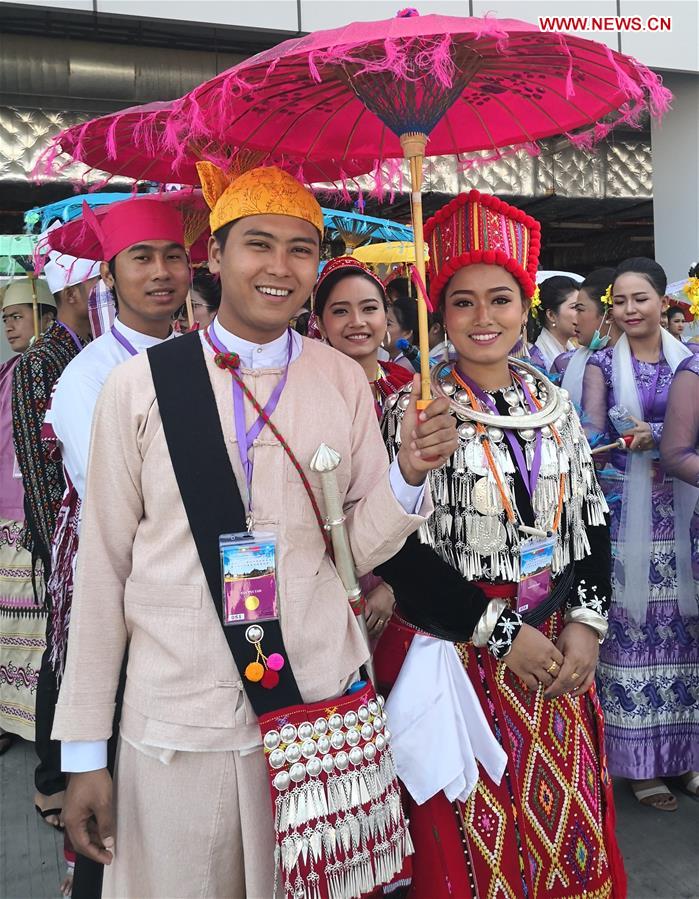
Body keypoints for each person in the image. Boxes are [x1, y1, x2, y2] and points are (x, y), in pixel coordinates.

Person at [52, 162, 456, 898]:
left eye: (300, 248)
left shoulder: (340, 378)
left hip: (312, 709)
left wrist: (408, 473)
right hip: (179, 716)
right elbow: (102, 567)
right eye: (257, 244)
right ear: (214, 254)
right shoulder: (138, 386)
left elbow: (354, 553)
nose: (279, 267)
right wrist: (83, 750)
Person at [375, 190, 624, 899]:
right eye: (461, 302)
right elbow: (397, 550)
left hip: (557, 651)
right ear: (438, 311)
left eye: (500, 299)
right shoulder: (412, 408)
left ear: (525, 308)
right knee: (479, 841)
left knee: (569, 833)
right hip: (462, 650)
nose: (482, 318)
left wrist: (586, 623)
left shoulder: (553, 399)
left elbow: (589, 517)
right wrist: (500, 631)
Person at [582, 257, 699, 810]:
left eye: (640, 299)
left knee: (685, 632)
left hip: (687, 511)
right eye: (620, 301)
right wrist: (642, 438)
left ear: (662, 302)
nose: (630, 310)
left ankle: (687, 755)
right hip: (627, 509)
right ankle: (640, 764)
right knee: (633, 631)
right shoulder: (601, 364)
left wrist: (666, 439)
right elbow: (588, 431)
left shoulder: (689, 362)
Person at [11, 246, 99, 837]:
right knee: (58, 654)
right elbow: (41, 469)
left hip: (92, 533)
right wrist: (60, 550)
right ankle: (51, 777)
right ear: (74, 295)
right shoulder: (42, 362)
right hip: (63, 535)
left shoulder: (88, 353)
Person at [313, 255, 414, 643]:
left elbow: (437, 491)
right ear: (320, 323)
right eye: (340, 311)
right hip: (334, 569)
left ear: (385, 318)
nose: (357, 321)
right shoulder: (307, 393)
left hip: (414, 570)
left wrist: (394, 586)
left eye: (369, 308)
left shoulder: (411, 385)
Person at [0, 279, 56, 758]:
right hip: (4, 513)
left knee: (33, 622)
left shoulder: (46, 369)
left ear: (44, 314)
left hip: (28, 512)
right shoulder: (8, 372)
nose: (10, 326)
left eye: (18, 316)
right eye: (6, 319)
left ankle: (29, 724)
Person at [549, 267, 618, 405]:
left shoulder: (645, 363)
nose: (576, 320)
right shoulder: (563, 363)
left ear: (608, 315)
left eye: (580, 310)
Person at [529, 275, 579, 371]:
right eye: (574, 307)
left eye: (581, 308)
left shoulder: (573, 350)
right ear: (551, 315)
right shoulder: (536, 362)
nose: (581, 314)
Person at [386, 294, 418, 371]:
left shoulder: (406, 366)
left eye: (388, 324)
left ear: (406, 333)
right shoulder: (394, 360)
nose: (380, 327)